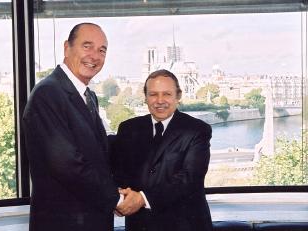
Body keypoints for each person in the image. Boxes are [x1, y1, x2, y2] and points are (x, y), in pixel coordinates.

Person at [22, 22, 122, 231]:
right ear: (67, 48)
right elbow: (67, 165)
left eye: (102, 50)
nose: (95, 56)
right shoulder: (47, 93)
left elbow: (99, 150)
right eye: (87, 46)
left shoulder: (89, 96)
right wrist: (117, 200)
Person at [112, 69, 213, 231]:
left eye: (166, 94)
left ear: (178, 97)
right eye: (153, 94)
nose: (160, 100)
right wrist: (119, 198)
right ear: (145, 97)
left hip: (185, 225)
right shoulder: (128, 129)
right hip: (140, 225)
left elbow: (190, 178)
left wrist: (142, 199)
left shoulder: (197, 130)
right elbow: (118, 173)